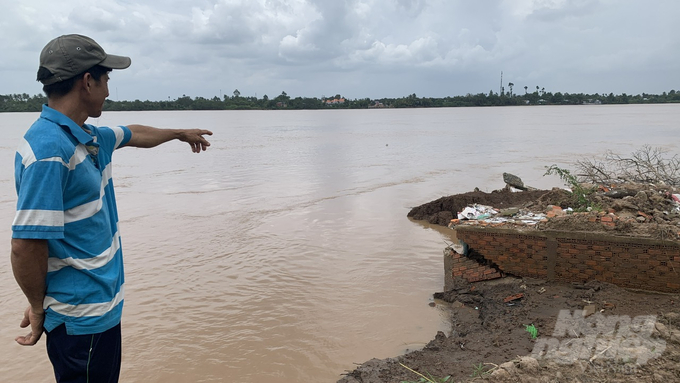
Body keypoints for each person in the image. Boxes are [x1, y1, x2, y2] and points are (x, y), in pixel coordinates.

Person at [11, 34, 213, 382]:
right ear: (87, 82)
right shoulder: (49, 150)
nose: (108, 90)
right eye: (106, 80)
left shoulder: (86, 138)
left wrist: (179, 132)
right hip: (80, 318)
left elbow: (133, 133)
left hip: (98, 310)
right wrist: (36, 304)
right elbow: (25, 244)